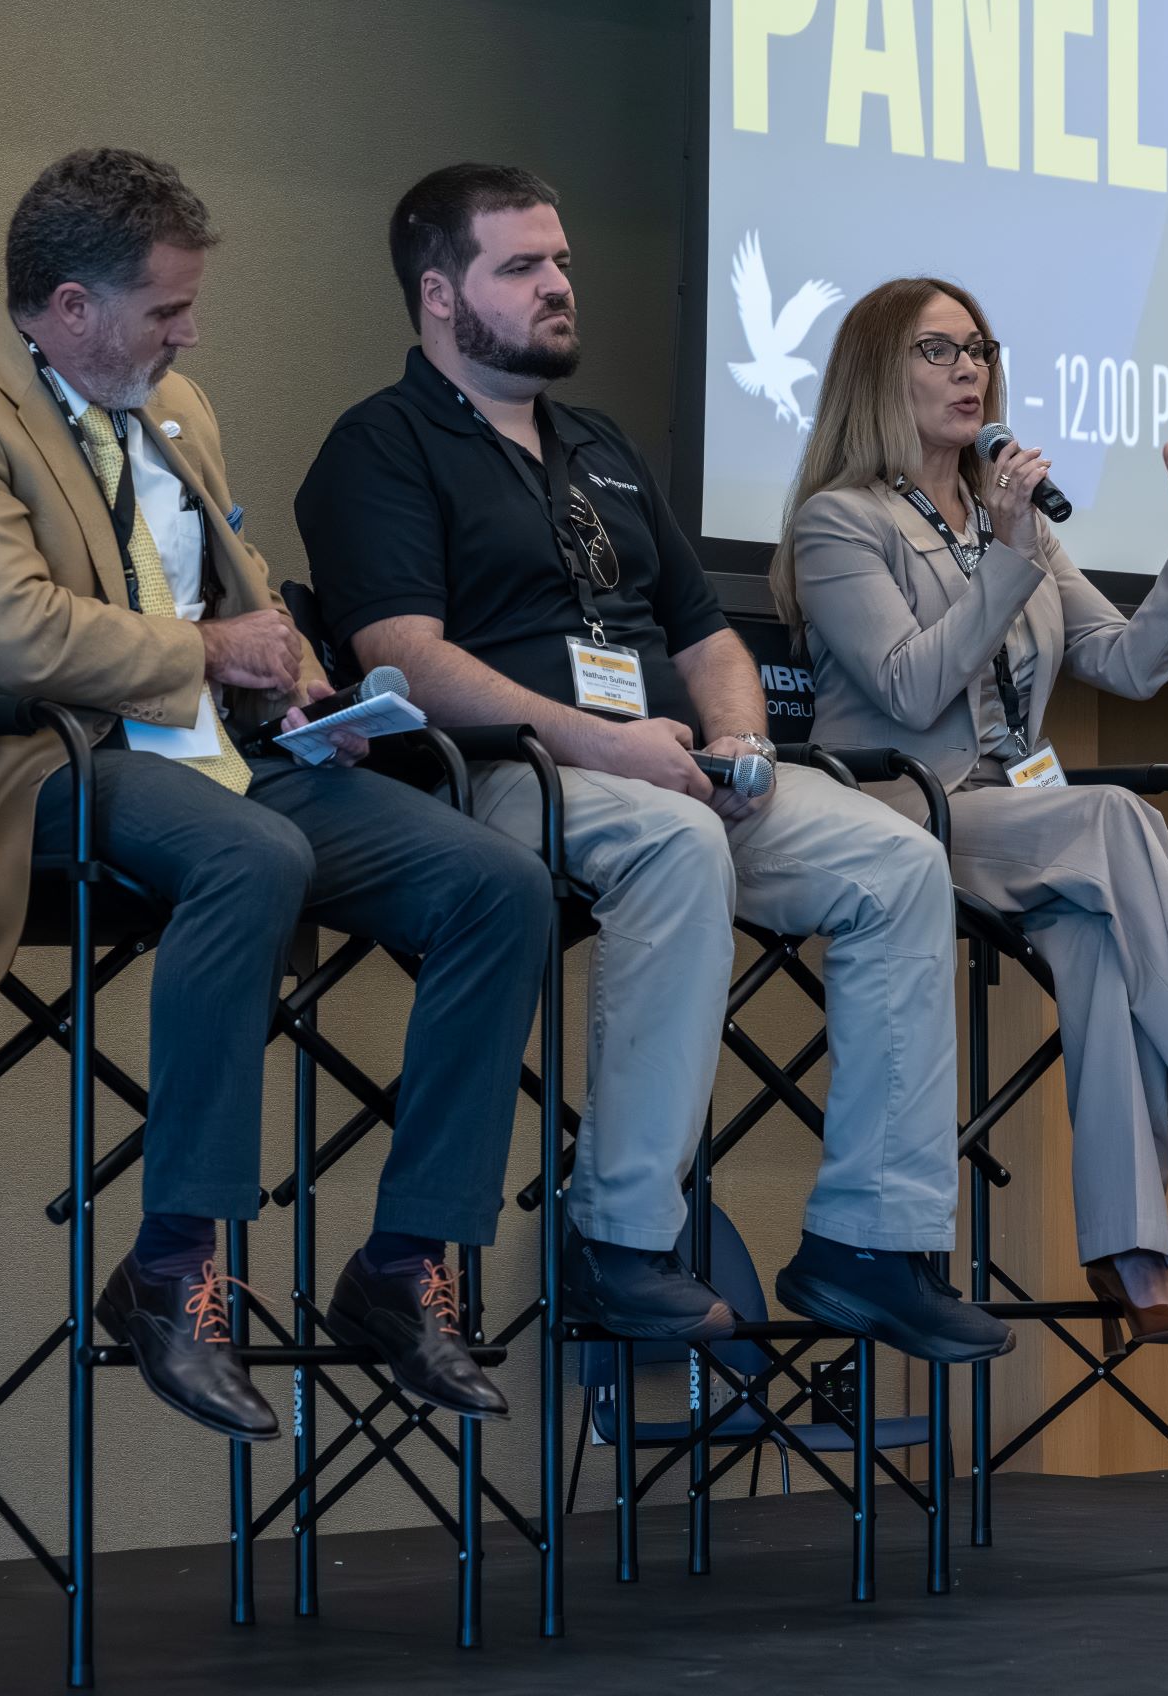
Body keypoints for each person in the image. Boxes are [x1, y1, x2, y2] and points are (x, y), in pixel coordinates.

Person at [0, 148, 551, 1439]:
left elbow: (237, 588)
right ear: (72, 307)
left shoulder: (176, 408)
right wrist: (206, 658)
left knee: (498, 886)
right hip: (38, 765)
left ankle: (404, 1268)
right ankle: (174, 1271)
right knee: (252, 859)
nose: (191, 333)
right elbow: (14, 634)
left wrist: (297, 687)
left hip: (219, 760)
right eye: (166, 310)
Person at [295, 165, 1008, 1366]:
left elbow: (706, 635)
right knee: (674, 845)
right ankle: (620, 1238)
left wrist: (735, 732)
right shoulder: (380, 444)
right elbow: (403, 656)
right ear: (437, 293)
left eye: (562, 260)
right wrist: (602, 741)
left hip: (679, 767)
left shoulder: (601, 446)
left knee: (897, 857)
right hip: (504, 772)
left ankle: (870, 1241)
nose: (559, 284)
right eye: (523, 266)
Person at [776, 279, 1168, 1349]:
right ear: (881, 371)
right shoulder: (842, 522)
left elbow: (1129, 662)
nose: (971, 369)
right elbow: (914, 690)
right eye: (938, 350)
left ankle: (1129, 1247)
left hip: (1021, 824)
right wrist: (1009, 555)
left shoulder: (1009, 526)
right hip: (903, 823)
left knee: (1107, 945)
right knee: (1116, 820)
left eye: (979, 349)